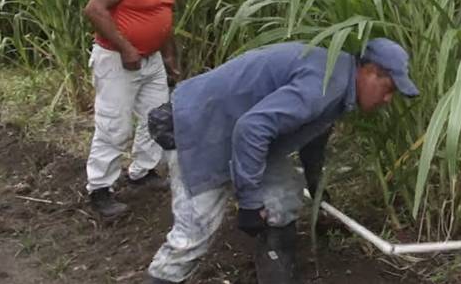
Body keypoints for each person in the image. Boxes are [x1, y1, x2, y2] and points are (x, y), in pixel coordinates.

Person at [144, 38, 419, 284]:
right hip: (203, 129)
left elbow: (312, 135)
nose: (387, 99)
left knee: (284, 197)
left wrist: (317, 186)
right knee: (192, 237)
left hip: (238, 132)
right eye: (388, 88)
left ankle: (277, 273)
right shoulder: (327, 84)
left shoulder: (337, 77)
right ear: (370, 71)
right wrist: (250, 204)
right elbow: (252, 128)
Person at [83, 0, 199, 219]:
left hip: (152, 59)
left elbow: (162, 16)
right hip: (118, 59)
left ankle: (143, 173)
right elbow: (94, 9)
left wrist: (169, 55)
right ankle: (99, 190)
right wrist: (126, 48)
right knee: (114, 124)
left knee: (156, 117)